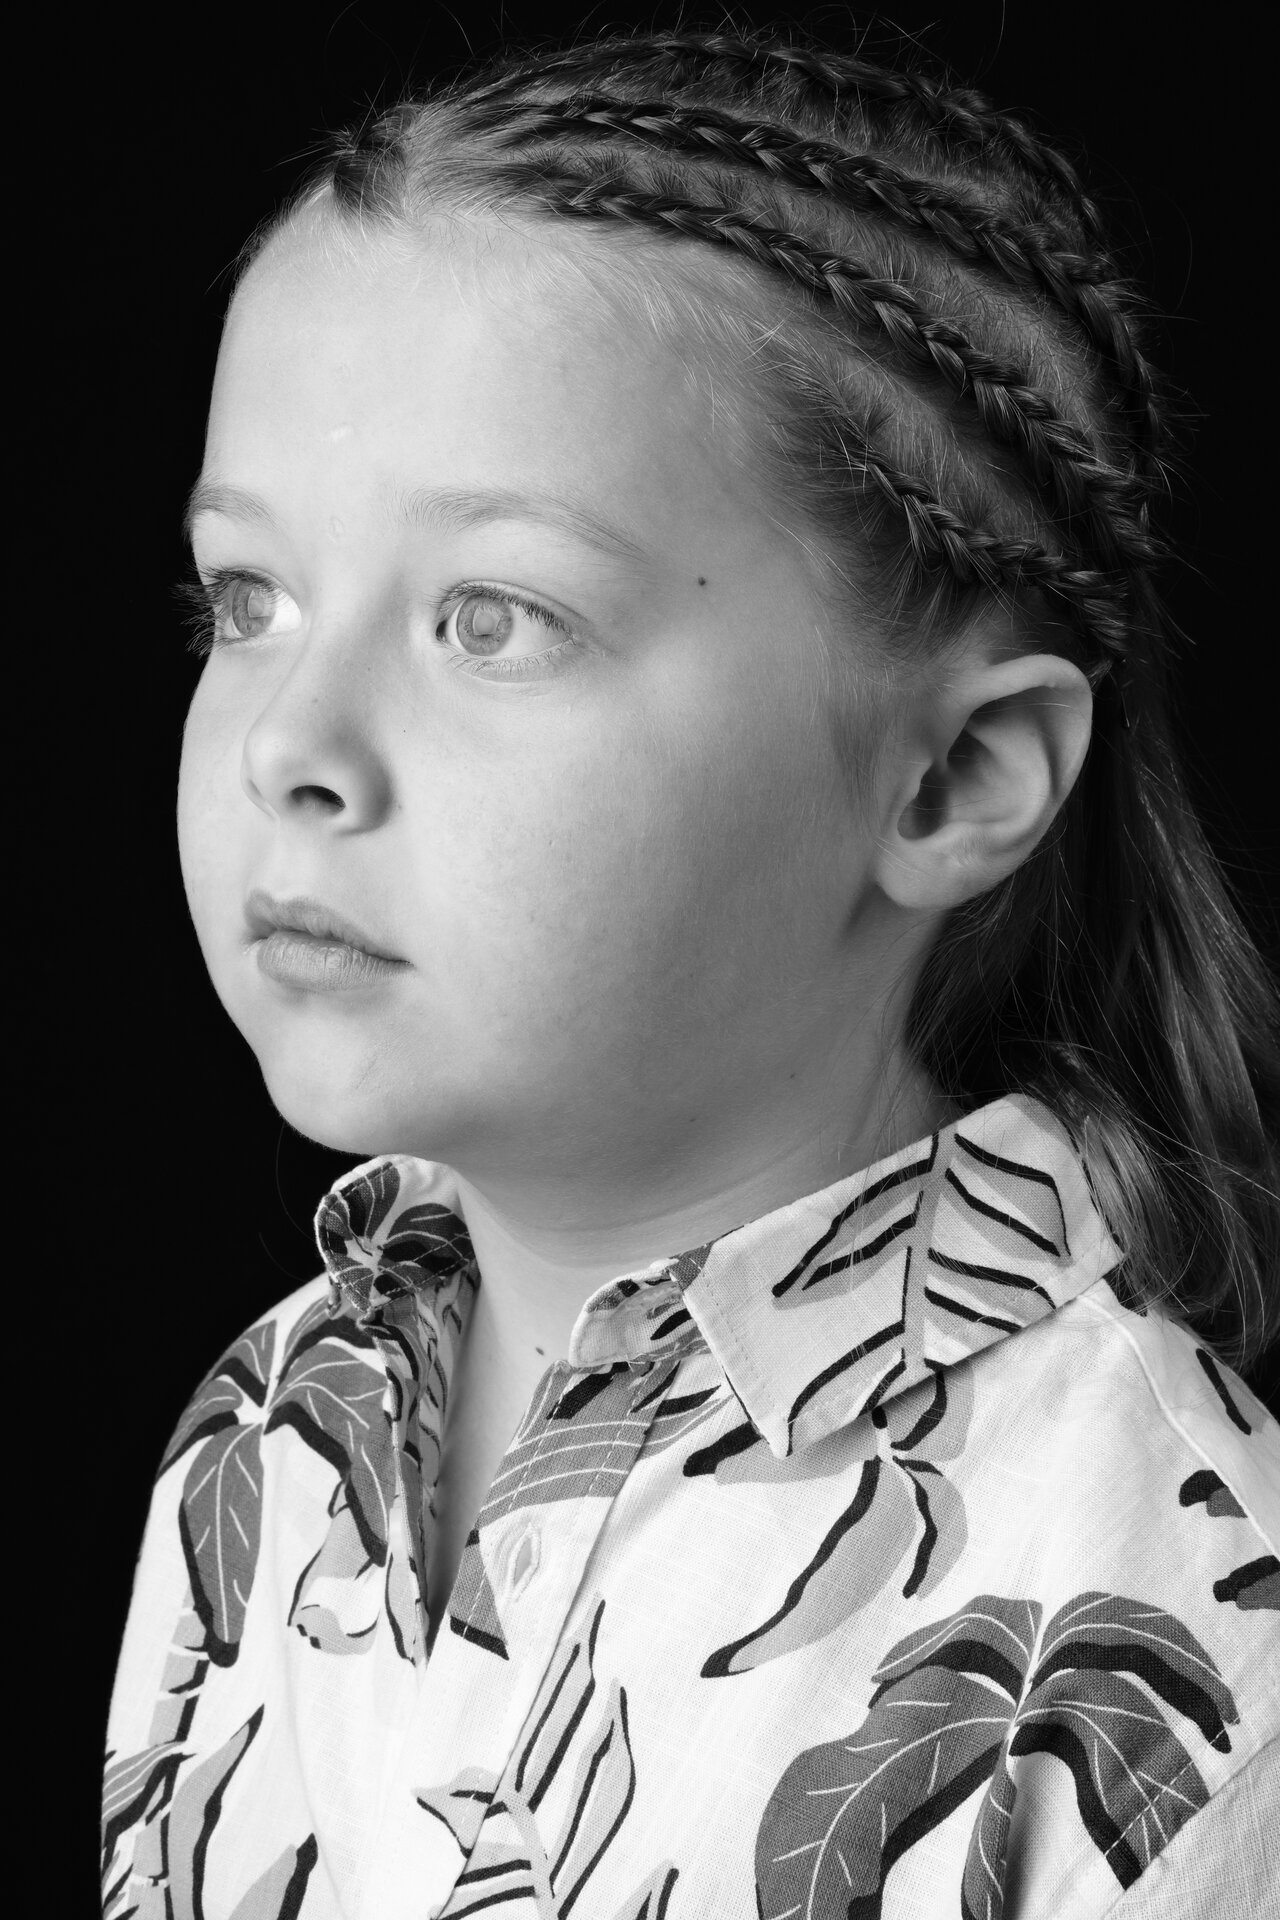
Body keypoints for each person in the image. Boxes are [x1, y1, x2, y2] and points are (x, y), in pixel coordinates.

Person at [102, 26, 1280, 1920]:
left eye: (495, 617)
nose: (285, 744)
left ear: (956, 779)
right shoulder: (265, 1439)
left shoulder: (1182, 1639)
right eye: (249, 601)